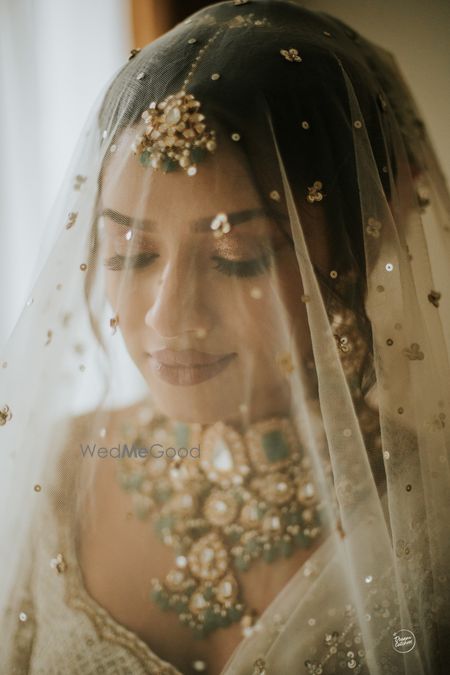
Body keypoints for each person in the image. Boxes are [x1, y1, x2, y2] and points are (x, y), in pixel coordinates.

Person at [0, 1, 449, 673]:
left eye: (239, 255)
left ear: (367, 235)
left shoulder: (434, 529)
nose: (167, 318)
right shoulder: (51, 476)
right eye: (130, 252)